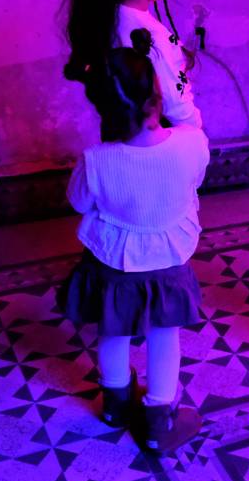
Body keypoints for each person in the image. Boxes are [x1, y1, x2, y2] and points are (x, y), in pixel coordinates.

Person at [57, 29, 210, 453]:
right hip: (169, 261)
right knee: (164, 334)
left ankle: (115, 406)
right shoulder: (192, 144)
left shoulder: (96, 161)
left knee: (113, 330)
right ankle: (160, 421)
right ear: (157, 97)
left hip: (114, 263)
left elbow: (78, 202)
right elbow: (193, 184)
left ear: (102, 107)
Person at [64, 0, 202, 140]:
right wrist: (196, 137)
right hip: (158, 144)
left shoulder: (107, 20)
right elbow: (177, 108)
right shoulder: (149, 35)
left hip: (120, 138)